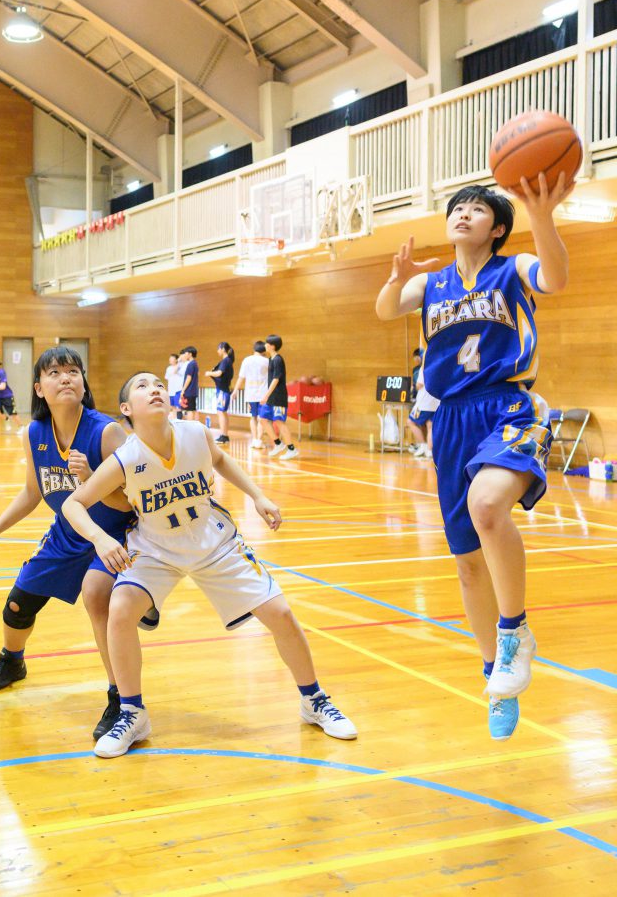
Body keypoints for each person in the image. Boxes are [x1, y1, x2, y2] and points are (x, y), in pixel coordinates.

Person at [62, 372, 357, 758]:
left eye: (158, 384)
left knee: (280, 613)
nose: (154, 389)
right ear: (126, 409)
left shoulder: (195, 433)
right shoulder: (126, 458)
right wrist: (100, 538)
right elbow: (73, 504)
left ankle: (313, 699)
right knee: (118, 611)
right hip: (155, 547)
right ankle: (133, 713)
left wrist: (258, 496)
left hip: (212, 539)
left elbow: (221, 461)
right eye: (141, 386)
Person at [373, 174, 573, 741]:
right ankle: (494, 672)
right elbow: (387, 310)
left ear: (498, 227)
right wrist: (395, 278)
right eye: (456, 207)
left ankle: (516, 633)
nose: (462, 214)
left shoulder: (514, 269)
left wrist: (544, 217)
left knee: (489, 507)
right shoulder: (431, 283)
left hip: (508, 405)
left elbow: (555, 278)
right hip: (452, 418)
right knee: (466, 561)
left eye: (476, 209)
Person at [0, 346, 146, 741]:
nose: (65, 377)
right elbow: (32, 493)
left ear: (83, 383)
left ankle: (121, 696)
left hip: (115, 532)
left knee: (96, 596)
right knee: (17, 607)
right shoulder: (34, 433)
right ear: (39, 388)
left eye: (73, 371)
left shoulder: (107, 431)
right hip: (68, 532)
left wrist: (94, 479)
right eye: (54, 373)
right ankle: (12, 661)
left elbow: (133, 501)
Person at [261, 334, 297, 460]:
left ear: (272, 346)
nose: (265, 345)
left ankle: (292, 449)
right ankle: (278, 444)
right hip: (271, 397)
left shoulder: (278, 360)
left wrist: (266, 395)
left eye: (267, 343)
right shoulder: (271, 359)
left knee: (279, 422)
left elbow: (276, 379)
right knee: (263, 419)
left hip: (278, 396)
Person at [233, 340, 270, 450]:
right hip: (263, 394)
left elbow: (241, 377)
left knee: (253, 417)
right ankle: (259, 440)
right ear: (264, 350)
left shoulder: (246, 360)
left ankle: (254, 440)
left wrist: (235, 390)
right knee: (262, 418)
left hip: (251, 394)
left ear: (254, 349)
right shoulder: (267, 361)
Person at [205, 342, 235, 444]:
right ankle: (224, 435)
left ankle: (224, 435)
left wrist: (209, 373)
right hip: (223, 389)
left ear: (222, 349)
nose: (217, 351)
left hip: (223, 390)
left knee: (221, 412)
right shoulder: (227, 361)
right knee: (222, 412)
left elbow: (219, 373)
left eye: (218, 349)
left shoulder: (226, 361)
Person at [404, 348, 430, 455]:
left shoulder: (423, 369)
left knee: (410, 422)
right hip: (434, 402)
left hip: (424, 403)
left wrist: (415, 387)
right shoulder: (434, 367)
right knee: (430, 425)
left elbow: (419, 385)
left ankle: (422, 446)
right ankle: (430, 450)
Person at [178, 346, 200, 422]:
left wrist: (183, 390)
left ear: (190, 354)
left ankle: (189, 426)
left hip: (189, 391)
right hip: (193, 391)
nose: (185, 355)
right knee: (192, 409)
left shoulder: (190, 364)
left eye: (186, 353)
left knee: (189, 410)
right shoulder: (195, 364)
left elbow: (188, 378)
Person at [164, 353, 183, 417]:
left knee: (179, 407)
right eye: (170, 359)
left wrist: (179, 362)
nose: (170, 360)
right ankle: (174, 421)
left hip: (178, 390)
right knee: (173, 407)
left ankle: (179, 420)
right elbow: (167, 378)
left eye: (172, 359)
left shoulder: (180, 367)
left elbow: (175, 371)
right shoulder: (168, 368)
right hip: (171, 391)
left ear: (176, 360)